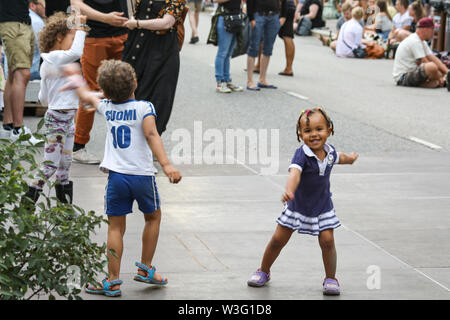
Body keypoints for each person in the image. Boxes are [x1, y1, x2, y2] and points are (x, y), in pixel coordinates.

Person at [65, 59, 181, 297]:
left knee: (115, 228)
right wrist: (167, 164)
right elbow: (151, 133)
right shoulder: (144, 107)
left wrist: (74, 77)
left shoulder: (106, 107)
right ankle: (146, 268)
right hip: (142, 177)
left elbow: (87, 96)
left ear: (106, 91)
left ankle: (113, 280)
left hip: (117, 178)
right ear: (135, 82)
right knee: (153, 217)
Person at [246, 107, 358, 295]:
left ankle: (331, 278)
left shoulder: (330, 152)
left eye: (319, 129)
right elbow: (295, 173)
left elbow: (341, 157)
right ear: (300, 134)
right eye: (307, 131)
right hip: (297, 207)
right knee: (277, 240)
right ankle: (263, 271)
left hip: (322, 207)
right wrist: (289, 190)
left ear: (329, 130)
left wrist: (351, 159)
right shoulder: (302, 154)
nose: (314, 134)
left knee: (328, 241)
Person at [23, 12, 88, 205]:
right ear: (59, 37)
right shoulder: (55, 57)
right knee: (50, 165)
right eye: (71, 37)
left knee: (64, 166)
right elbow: (76, 52)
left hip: (65, 118)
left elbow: (43, 97)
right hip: (59, 119)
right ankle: (26, 204)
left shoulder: (55, 62)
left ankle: (64, 212)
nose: (74, 42)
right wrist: (81, 29)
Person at [70, 0, 129, 164]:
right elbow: (75, 3)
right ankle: (78, 145)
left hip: (123, 33)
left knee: (124, 90)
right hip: (95, 35)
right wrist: (105, 18)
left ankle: (125, 146)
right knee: (92, 90)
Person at [122, 0, 186, 136]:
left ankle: (150, 141)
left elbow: (167, 22)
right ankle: (129, 141)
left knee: (160, 96)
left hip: (163, 51)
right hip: (137, 46)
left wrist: (137, 23)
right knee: (132, 92)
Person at [0, 0, 42, 144]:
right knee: (21, 73)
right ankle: (19, 130)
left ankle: (8, 126)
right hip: (13, 22)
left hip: (21, 19)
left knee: (14, 74)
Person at [393, 17, 449, 88]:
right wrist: (440, 76)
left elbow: (433, 58)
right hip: (402, 77)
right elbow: (425, 62)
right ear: (425, 30)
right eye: (432, 29)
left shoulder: (422, 42)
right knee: (431, 67)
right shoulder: (414, 41)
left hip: (411, 73)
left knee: (434, 80)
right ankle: (441, 82)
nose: (433, 32)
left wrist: (447, 72)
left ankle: (436, 82)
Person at [246, 0, 285, 90]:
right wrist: (251, 17)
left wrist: (283, 16)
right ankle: (250, 81)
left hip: (274, 16)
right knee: (253, 47)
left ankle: (262, 79)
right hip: (259, 15)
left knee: (268, 48)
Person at [213, 0, 244, 93]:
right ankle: (220, 82)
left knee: (228, 53)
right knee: (222, 52)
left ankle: (227, 81)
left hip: (236, 18)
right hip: (225, 18)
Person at [29, 0, 47, 81]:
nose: (45, 9)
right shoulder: (36, 21)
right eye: (43, 5)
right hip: (32, 72)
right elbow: (44, 50)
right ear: (32, 5)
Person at [278, 0, 296, 76]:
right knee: (287, 36)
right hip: (290, 4)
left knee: (287, 36)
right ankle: (289, 68)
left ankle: (259, 64)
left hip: (283, 4)